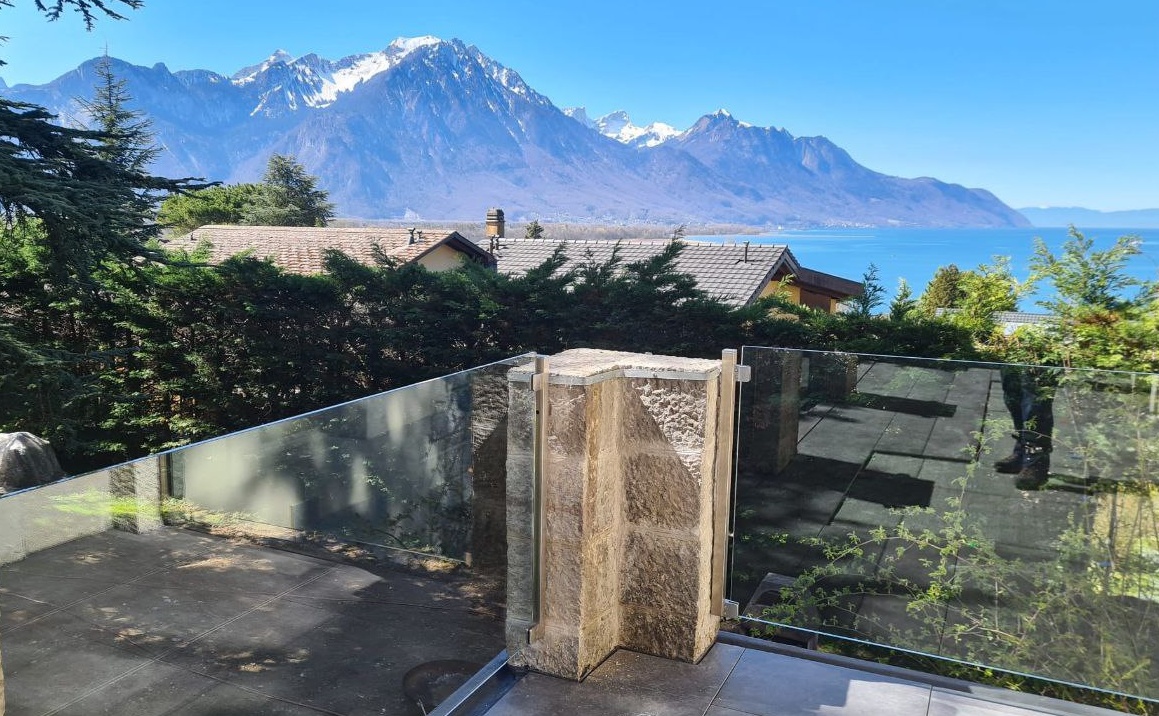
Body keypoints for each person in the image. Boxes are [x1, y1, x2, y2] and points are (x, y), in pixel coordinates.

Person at [994, 364, 1056, 490]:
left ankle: (1035, 462)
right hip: (1012, 347)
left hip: (1039, 351)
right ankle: (1022, 451)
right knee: (1012, 394)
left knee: (1035, 401)